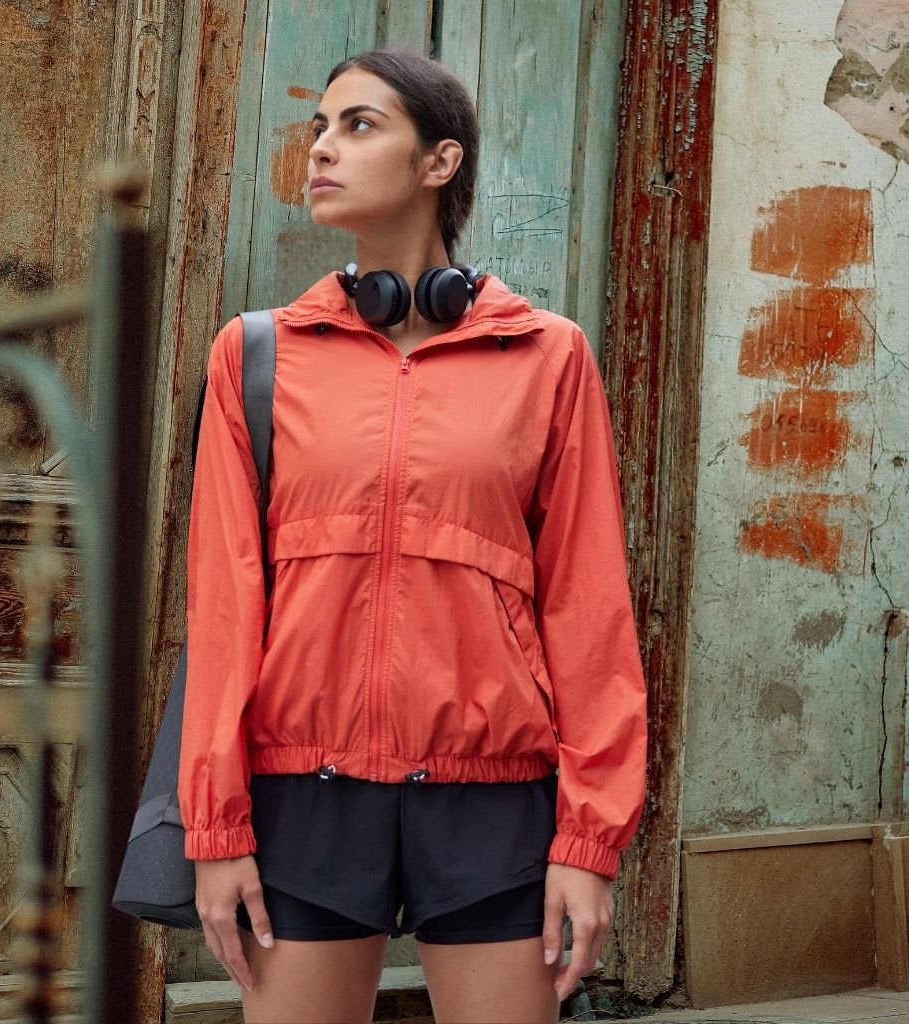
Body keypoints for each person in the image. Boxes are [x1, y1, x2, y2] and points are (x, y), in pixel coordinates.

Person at [180, 47, 647, 1024]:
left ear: (439, 162)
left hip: (491, 794)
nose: (322, 151)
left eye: (358, 126)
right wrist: (216, 826)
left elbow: (588, 606)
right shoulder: (256, 354)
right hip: (303, 787)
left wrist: (588, 840)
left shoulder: (547, 356)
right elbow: (224, 607)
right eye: (320, 128)